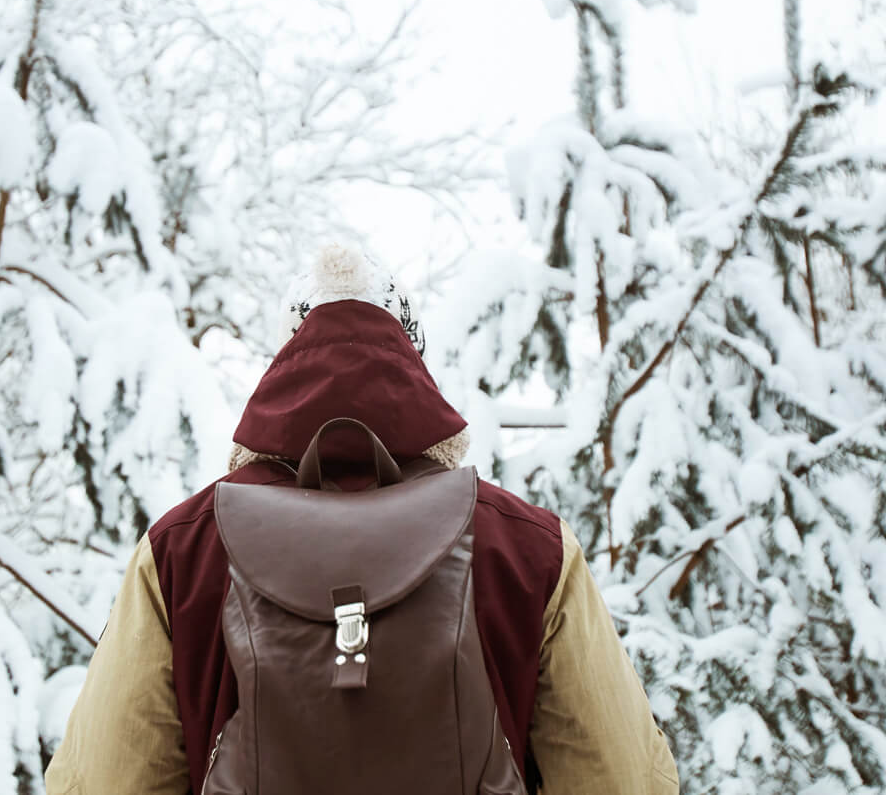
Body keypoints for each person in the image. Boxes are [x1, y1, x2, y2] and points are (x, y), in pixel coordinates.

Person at [45, 246, 679, 795]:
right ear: (413, 362)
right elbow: (621, 779)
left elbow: (103, 779)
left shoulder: (182, 550)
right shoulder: (527, 547)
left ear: (282, 364)